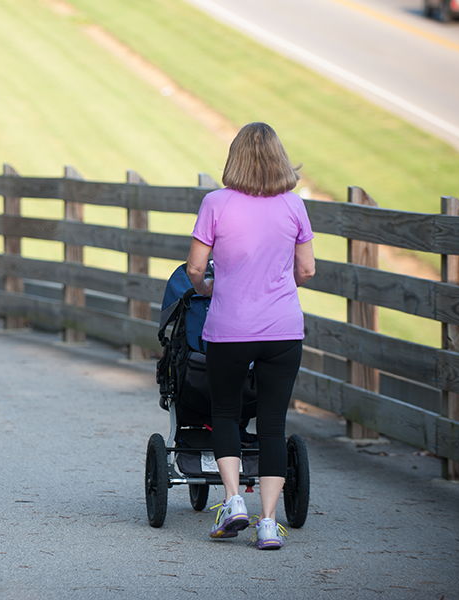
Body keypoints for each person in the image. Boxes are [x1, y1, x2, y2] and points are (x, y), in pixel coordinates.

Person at [186, 122, 316, 550]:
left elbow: (194, 269)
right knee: (273, 423)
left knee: (225, 412)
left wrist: (209, 289)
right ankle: (267, 522)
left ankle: (232, 501)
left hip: (230, 328)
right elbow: (307, 271)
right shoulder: (293, 206)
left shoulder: (216, 203)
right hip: (282, 329)